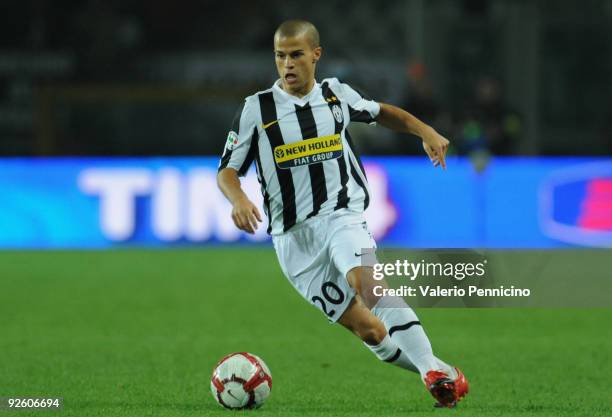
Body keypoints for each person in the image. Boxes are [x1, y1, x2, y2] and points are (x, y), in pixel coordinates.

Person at [217, 19, 469, 408]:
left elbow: (383, 112)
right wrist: (238, 199)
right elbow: (227, 170)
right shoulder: (257, 109)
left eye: (297, 55)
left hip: (341, 216)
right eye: (280, 56)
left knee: (366, 283)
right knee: (368, 330)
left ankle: (429, 374)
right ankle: (442, 371)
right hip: (293, 242)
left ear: (315, 55)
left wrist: (426, 132)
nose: (288, 64)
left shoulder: (335, 95)